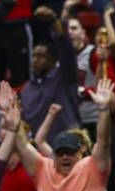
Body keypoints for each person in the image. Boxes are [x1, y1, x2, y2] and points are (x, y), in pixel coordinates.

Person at [19, 6, 82, 137]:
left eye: (42, 56)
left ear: (53, 60)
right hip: (40, 151)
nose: (36, 60)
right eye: (34, 56)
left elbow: (66, 50)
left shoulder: (64, 76)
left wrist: (54, 21)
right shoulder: (26, 89)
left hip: (68, 146)